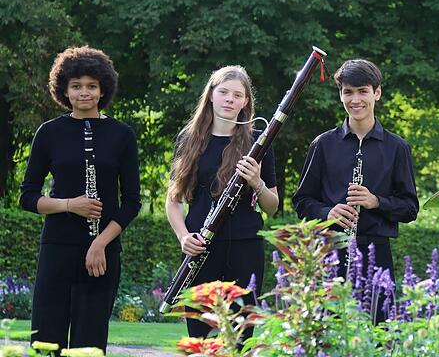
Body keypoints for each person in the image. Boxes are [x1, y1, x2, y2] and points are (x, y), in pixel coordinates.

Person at [19, 46, 141, 352]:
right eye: (76, 86)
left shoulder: (122, 135)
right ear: (64, 90)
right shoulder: (49, 133)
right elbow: (28, 197)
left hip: (102, 252)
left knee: (90, 340)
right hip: (57, 247)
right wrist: (69, 205)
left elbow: (131, 202)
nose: (84, 93)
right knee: (46, 337)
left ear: (103, 90)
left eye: (91, 86)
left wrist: (100, 244)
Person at [165, 65, 278, 338]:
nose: (229, 99)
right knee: (200, 335)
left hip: (245, 246)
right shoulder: (189, 138)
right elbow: (173, 200)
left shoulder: (258, 143)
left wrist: (257, 182)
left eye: (237, 95)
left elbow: (272, 205)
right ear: (211, 95)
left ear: (245, 102)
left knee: (241, 337)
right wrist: (183, 237)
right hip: (200, 247)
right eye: (223, 92)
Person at [292, 59, 419, 291]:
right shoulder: (323, 144)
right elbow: (301, 201)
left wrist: (376, 201)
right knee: (329, 324)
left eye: (363, 91)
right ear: (340, 95)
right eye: (348, 92)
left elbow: (410, 208)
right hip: (329, 251)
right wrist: (327, 212)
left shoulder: (397, 148)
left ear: (377, 93)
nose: (355, 100)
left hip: (376, 253)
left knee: (377, 325)